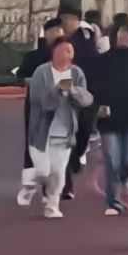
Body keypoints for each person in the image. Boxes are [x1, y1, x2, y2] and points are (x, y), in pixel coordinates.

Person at [24, 37, 94, 218]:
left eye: (70, 49)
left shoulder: (76, 73)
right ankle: (32, 182)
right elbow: (38, 101)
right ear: (54, 51)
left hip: (64, 132)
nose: (68, 52)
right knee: (43, 172)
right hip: (41, 132)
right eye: (64, 48)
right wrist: (57, 90)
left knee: (58, 172)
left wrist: (73, 91)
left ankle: (52, 205)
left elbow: (86, 100)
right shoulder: (41, 72)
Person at [94, 22, 128, 216]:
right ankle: (113, 201)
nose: (123, 38)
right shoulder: (104, 61)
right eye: (120, 34)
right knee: (112, 159)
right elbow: (94, 86)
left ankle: (125, 176)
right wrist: (98, 105)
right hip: (109, 119)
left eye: (127, 34)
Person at [14, 19, 65, 206]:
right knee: (34, 145)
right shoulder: (33, 56)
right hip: (36, 107)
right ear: (47, 33)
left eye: (60, 30)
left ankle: (50, 192)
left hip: (61, 108)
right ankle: (29, 183)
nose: (58, 34)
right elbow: (21, 77)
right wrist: (34, 81)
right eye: (54, 30)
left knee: (57, 149)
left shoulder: (67, 54)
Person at [58, 2, 104, 202]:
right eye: (64, 20)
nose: (68, 23)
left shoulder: (88, 37)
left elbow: (96, 62)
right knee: (66, 135)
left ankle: (78, 154)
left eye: (71, 20)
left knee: (85, 129)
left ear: (78, 21)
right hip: (65, 92)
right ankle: (65, 184)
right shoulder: (55, 39)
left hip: (87, 91)